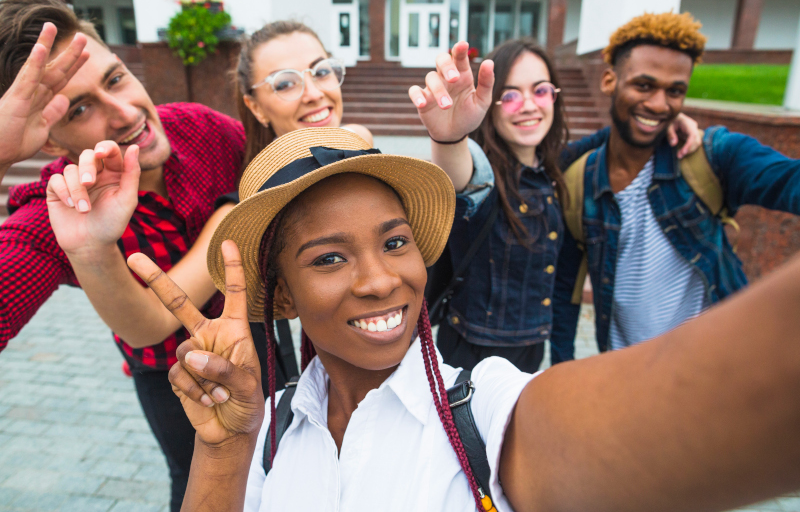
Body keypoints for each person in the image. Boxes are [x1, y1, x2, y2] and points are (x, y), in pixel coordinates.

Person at [130, 127, 800, 512]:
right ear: (283, 291)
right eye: (330, 256)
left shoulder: (489, 411)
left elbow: (737, 394)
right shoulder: (269, 427)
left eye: (396, 241)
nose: (380, 279)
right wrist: (223, 447)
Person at [0, 0, 246, 511]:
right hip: (167, 375)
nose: (125, 112)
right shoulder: (54, 212)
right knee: (197, 479)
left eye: (115, 78)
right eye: (81, 109)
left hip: (263, 340)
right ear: (46, 137)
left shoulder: (206, 131)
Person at [47, 20, 374, 378]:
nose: (313, 92)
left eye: (321, 70)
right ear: (256, 106)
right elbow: (154, 319)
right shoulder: (245, 208)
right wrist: (91, 250)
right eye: (285, 83)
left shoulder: (365, 153)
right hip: (215, 373)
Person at [407, 38, 700, 373]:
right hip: (472, 359)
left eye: (541, 90)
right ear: (490, 103)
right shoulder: (482, 176)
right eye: (512, 95)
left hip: (532, 352)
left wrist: (666, 121)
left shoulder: (554, 165)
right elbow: (460, 174)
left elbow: (610, 135)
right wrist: (449, 137)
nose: (529, 105)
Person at [551, 12, 800, 364]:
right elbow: (566, 294)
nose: (658, 104)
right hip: (627, 370)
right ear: (609, 80)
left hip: (715, 365)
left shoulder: (712, 155)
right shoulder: (579, 182)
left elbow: (788, 180)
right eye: (644, 85)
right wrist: (565, 374)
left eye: (675, 91)